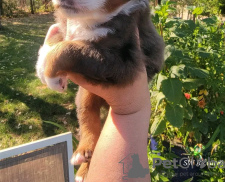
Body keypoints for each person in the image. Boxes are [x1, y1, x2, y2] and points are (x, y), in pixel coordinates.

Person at [45, 25, 151, 182]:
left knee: (94, 107)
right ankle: (87, 151)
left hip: (120, 64)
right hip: (99, 67)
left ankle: (87, 159)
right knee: (87, 105)